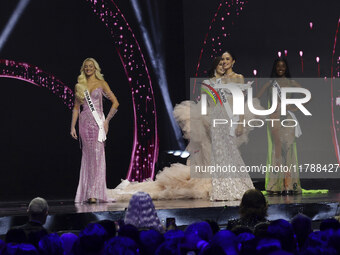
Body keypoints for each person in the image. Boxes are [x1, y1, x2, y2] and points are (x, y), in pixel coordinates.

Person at [108, 52, 254, 201]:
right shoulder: (217, 81)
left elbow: (240, 102)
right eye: (222, 59)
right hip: (217, 119)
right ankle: (224, 186)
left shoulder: (238, 78)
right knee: (220, 153)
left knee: (230, 152)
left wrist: (240, 122)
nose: (224, 62)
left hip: (230, 119)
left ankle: (235, 183)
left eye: (227, 59)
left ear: (233, 61)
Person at [71, 58, 119, 203]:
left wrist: (107, 120)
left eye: (91, 66)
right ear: (83, 69)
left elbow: (116, 102)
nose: (88, 68)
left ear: (95, 68)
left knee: (98, 158)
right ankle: (88, 194)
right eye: (86, 66)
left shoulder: (101, 83)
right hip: (84, 124)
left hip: (98, 125)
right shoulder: (80, 86)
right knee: (88, 158)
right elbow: (76, 108)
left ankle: (95, 192)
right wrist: (72, 126)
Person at [256, 58, 302, 195]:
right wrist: (267, 111)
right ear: (275, 68)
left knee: (288, 150)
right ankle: (276, 185)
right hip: (274, 119)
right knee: (276, 150)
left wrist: (294, 107)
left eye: (283, 66)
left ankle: (289, 185)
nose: (280, 68)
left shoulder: (291, 82)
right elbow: (256, 98)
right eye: (278, 66)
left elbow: (308, 96)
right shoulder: (270, 84)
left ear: (286, 68)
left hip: (287, 119)